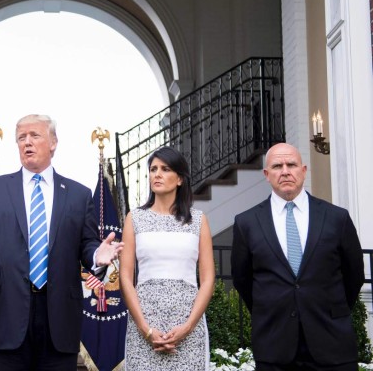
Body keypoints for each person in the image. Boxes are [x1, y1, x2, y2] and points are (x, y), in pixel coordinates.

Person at [0, 114, 123, 371]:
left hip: (58, 318)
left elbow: (87, 245)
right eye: (21, 138)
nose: (27, 142)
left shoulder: (79, 195)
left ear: (53, 143)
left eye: (34, 136)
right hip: (5, 314)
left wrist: (96, 256)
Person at [231, 142, 364, 371]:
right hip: (275, 347)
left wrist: (326, 307)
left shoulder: (336, 218)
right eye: (277, 166)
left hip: (332, 344)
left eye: (291, 164)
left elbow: (355, 275)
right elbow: (242, 280)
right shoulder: (247, 223)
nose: (285, 171)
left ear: (303, 170)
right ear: (267, 174)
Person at [119, 146, 215, 370]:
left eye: (165, 169)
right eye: (153, 169)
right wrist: (146, 329)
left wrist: (188, 326)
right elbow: (125, 277)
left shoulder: (198, 220)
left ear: (180, 179)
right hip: (145, 321)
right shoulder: (135, 218)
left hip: (187, 322)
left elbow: (208, 279)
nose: (157, 174)